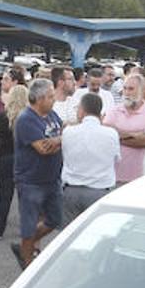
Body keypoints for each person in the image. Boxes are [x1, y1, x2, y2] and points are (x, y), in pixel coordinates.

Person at [11, 77, 64, 269]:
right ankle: (27, 262)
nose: (54, 100)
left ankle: (26, 246)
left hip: (52, 179)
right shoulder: (26, 119)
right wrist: (61, 141)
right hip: (31, 181)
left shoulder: (52, 115)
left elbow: (62, 134)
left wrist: (57, 140)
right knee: (29, 224)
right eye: (50, 96)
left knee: (55, 219)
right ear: (39, 98)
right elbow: (43, 148)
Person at [60, 92, 119, 223]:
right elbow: (115, 158)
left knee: (69, 234)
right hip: (99, 190)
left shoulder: (69, 131)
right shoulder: (111, 134)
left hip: (72, 190)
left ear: (82, 110)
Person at [0, 74, 27, 238]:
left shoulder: (4, 117)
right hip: (24, 159)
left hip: (5, 157)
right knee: (24, 196)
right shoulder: (29, 118)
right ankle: (26, 229)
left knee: (4, 195)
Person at [104, 73, 145, 184]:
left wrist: (117, 135)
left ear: (141, 91)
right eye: (125, 88)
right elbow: (106, 135)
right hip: (113, 176)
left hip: (139, 178)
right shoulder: (114, 110)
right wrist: (135, 135)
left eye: (131, 89)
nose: (127, 93)